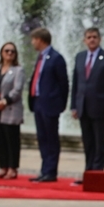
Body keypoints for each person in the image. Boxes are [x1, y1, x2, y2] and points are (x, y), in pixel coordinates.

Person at [71, 27, 104, 182]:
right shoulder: (80, 57)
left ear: (100, 39)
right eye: (89, 37)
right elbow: (76, 83)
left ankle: (97, 173)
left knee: (99, 142)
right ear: (84, 40)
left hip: (100, 107)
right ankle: (88, 172)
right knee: (88, 142)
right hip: (83, 106)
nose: (92, 40)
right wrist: (74, 106)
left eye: (95, 37)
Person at [27, 28, 69, 183]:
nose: (32, 43)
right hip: (38, 102)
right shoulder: (40, 58)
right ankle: (44, 170)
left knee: (51, 138)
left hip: (50, 104)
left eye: (34, 39)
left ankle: (51, 171)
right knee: (42, 138)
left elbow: (63, 83)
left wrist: (62, 103)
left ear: (40, 39)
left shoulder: (56, 58)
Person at [0, 42, 25, 180]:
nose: (9, 53)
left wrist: (4, 101)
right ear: (1, 53)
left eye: (12, 51)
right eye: (6, 51)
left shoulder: (18, 70)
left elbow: (18, 89)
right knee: (0, 139)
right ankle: (3, 167)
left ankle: (12, 168)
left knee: (11, 139)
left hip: (10, 108)